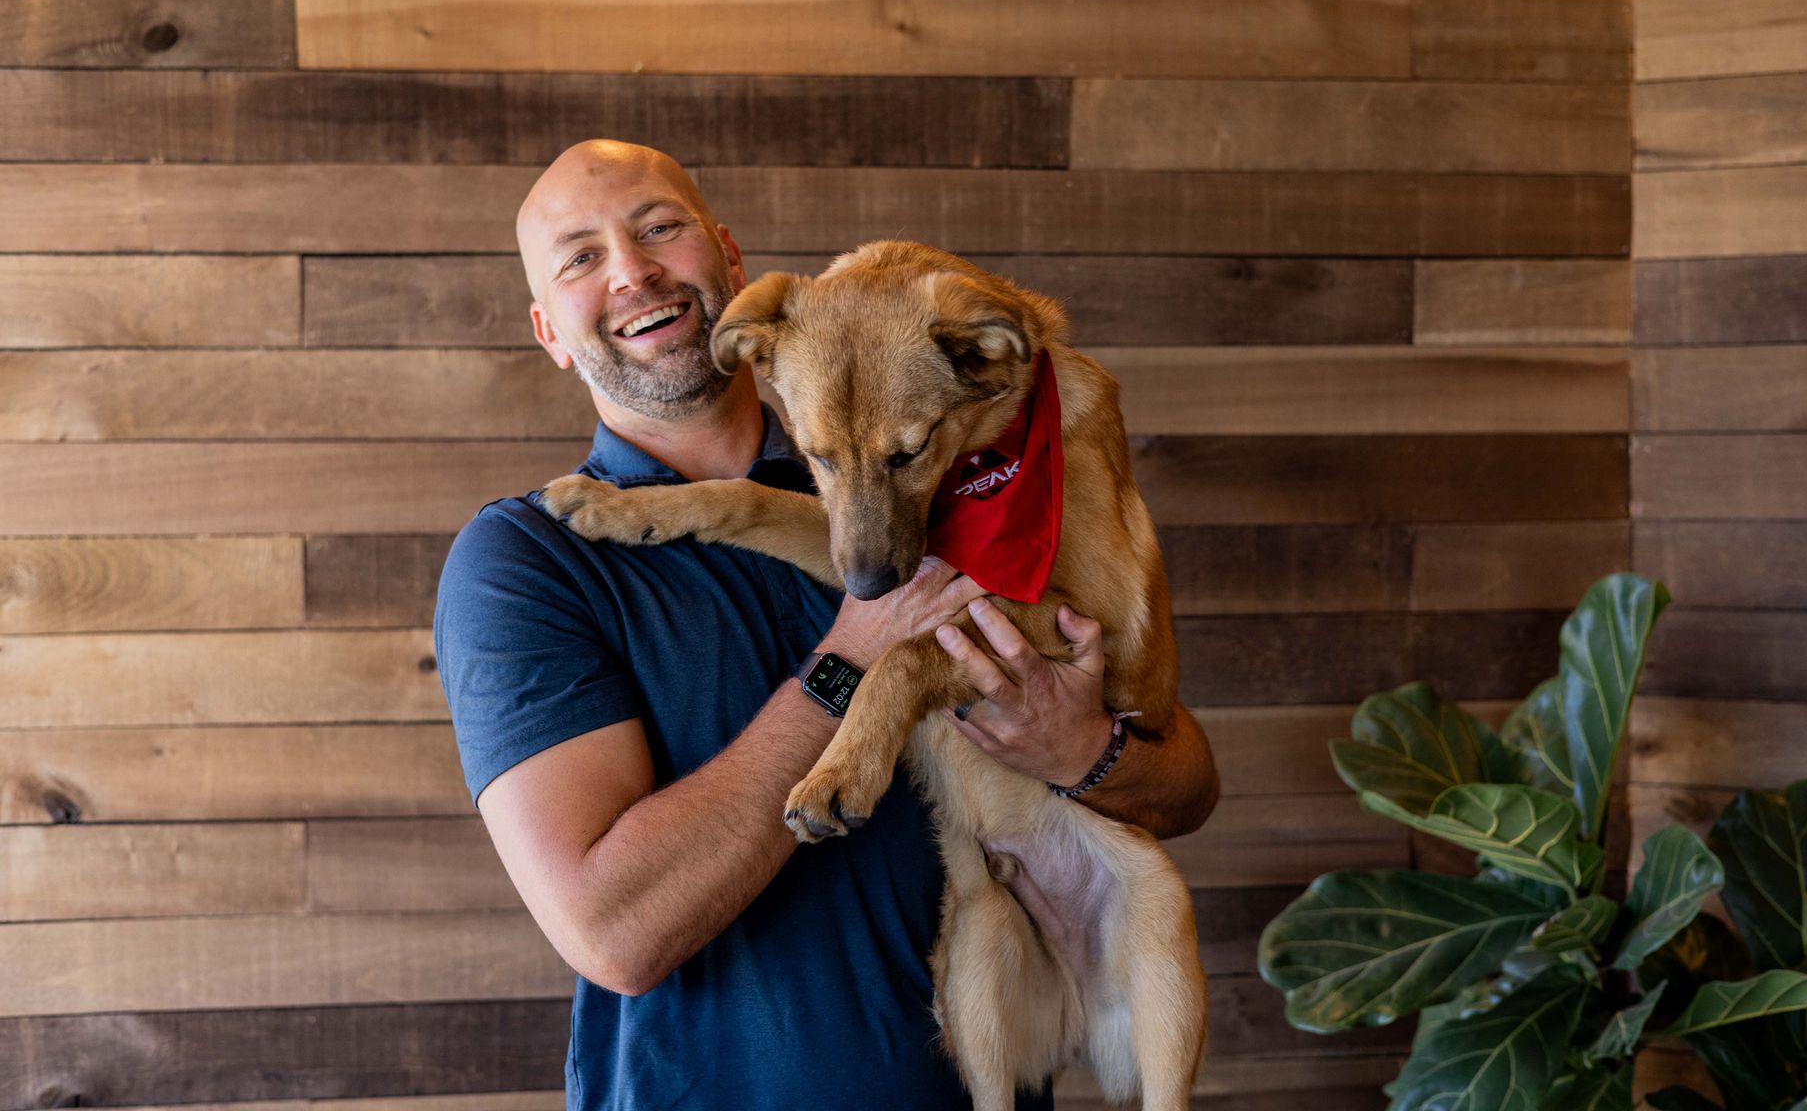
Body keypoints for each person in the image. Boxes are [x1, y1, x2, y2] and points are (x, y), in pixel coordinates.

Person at [433, 140, 1220, 1110]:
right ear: (549, 329)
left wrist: (1083, 746)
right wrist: (850, 660)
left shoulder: (943, 479)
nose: (632, 269)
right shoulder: (532, 556)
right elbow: (614, 932)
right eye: (580, 257)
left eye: (657, 227)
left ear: (731, 263)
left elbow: (1185, 788)